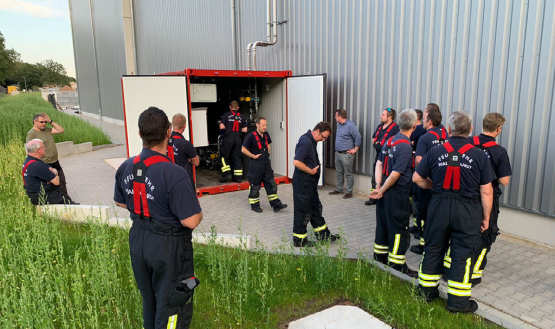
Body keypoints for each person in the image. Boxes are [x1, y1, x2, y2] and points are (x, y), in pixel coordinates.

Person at [114, 107, 203, 329]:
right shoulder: (173, 173)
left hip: (138, 240)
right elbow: (190, 220)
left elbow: (120, 201)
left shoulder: (126, 165)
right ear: (168, 132)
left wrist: (146, 209)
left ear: (139, 134)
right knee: (172, 302)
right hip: (168, 246)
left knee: (151, 299)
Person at [413, 111, 493, 313]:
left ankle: (426, 293)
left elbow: (417, 178)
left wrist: (435, 187)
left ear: (448, 130)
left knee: (433, 248)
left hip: (438, 207)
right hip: (467, 210)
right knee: (463, 254)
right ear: (471, 130)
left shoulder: (435, 151)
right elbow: (486, 190)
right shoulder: (479, 155)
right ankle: (458, 303)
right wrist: (486, 218)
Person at [369, 109, 419, 277]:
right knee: (398, 228)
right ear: (413, 125)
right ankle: (397, 266)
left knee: (383, 225)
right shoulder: (405, 146)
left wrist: (377, 186)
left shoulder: (390, 140)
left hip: (383, 192)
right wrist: (381, 189)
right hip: (396, 194)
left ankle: (380, 258)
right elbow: (396, 174)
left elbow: (378, 164)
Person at [464, 113, 511, 286]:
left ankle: (454, 268)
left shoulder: (468, 143)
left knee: (462, 234)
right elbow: (504, 181)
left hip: (465, 196)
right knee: (485, 235)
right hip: (488, 198)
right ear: (498, 129)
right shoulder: (499, 151)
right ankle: (474, 274)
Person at [292, 122, 341, 247]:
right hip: (303, 182)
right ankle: (300, 240)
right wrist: (311, 171)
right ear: (317, 131)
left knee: (315, 208)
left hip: (310, 184)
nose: (324, 140)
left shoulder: (311, 140)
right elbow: (297, 162)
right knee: (303, 210)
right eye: (323, 137)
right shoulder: (306, 141)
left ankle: (324, 236)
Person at [410, 105, 449, 255]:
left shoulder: (425, 138)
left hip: (426, 182)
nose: (422, 123)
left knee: (423, 213)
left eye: (424, 120)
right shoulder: (446, 136)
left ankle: (422, 244)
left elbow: (419, 160)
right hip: (442, 182)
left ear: (430, 122)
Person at [26, 112, 76, 203]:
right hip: (45, 163)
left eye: (45, 122)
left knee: (62, 182)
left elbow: (61, 130)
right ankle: (61, 202)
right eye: (42, 122)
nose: (44, 124)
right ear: (35, 122)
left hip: (55, 161)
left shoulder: (47, 130)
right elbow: (29, 149)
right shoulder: (32, 134)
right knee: (53, 184)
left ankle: (67, 201)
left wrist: (50, 121)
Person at [241, 117, 288, 213]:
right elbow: (243, 149)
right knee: (255, 186)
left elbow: (268, 144)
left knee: (271, 184)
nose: (265, 127)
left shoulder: (266, 134)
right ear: (257, 125)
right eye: (263, 125)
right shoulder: (250, 136)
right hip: (256, 166)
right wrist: (253, 156)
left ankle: (276, 205)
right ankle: (254, 205)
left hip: (266, 164)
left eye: (266, 125)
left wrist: (268, 153)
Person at [365, 108, 399, 205]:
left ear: (390, 117)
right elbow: (373, 139)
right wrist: (378, 144)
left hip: (389, 159)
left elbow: (395, 143)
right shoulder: (380, 126)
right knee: (375, 177)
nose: (381, 116)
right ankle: (373, 197)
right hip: (379, 156)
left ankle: (385, 198)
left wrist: (380, 144)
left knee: (387, 177)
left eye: (383, 115)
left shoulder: (395, 128)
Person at [22, 139, 69, 205]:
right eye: (43, 147)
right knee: (73, 207)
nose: (45, 148)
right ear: (38, 150)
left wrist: (50, 175)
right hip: (45, 197)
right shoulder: (37, 165)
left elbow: (50, 169)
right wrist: (54, 174)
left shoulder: (29, 160)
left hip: (35, 195)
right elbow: (56, 181)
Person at [329, 109, 362, 199]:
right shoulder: (339, 125)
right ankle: (339, 189)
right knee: (339, 172)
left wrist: (355, 149)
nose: (335, 118)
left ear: (340, 117)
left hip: (346, 154)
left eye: (336, 116)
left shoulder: (351, 125)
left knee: (348, 173)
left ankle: (349, 191)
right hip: (338, 153)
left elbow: (358, 136)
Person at [219, 101, 247, 183]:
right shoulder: (242, 116)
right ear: (238, 108)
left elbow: (221, 127)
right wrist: (239, 129)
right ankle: (238, 177)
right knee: (237, 156)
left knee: (224, 156)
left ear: (230, 107)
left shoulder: (226, 115)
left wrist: (227, 126)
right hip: (238, 138)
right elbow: (245, 130)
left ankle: (227, 174)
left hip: (228, 138)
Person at [169, 114, 199, 189]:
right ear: (184, 126)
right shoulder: (186, 144)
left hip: (170, 179)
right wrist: (189, 159)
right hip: (184, 180)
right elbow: (196, 162)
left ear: (172, 124)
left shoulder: (165, 142)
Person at [409, 109, 425, 236]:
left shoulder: (420, 130)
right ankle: (416, 225)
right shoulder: (440, 132)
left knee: (418, 199)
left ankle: (418, 228)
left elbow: (411, 139)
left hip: (419, 172)